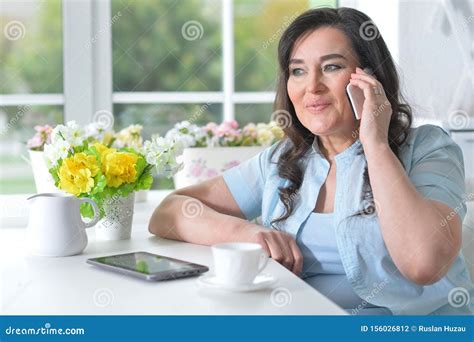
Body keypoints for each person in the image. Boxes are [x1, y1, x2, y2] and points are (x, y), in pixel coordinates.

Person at [149, 7, 473, 315]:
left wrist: (374, 144)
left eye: (331, 66)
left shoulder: (429, 148)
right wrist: (247, 234)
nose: (312, 87)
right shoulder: (282, 160)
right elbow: (170, 212)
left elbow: (424, 263)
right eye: (298, 71)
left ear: (370, 79)